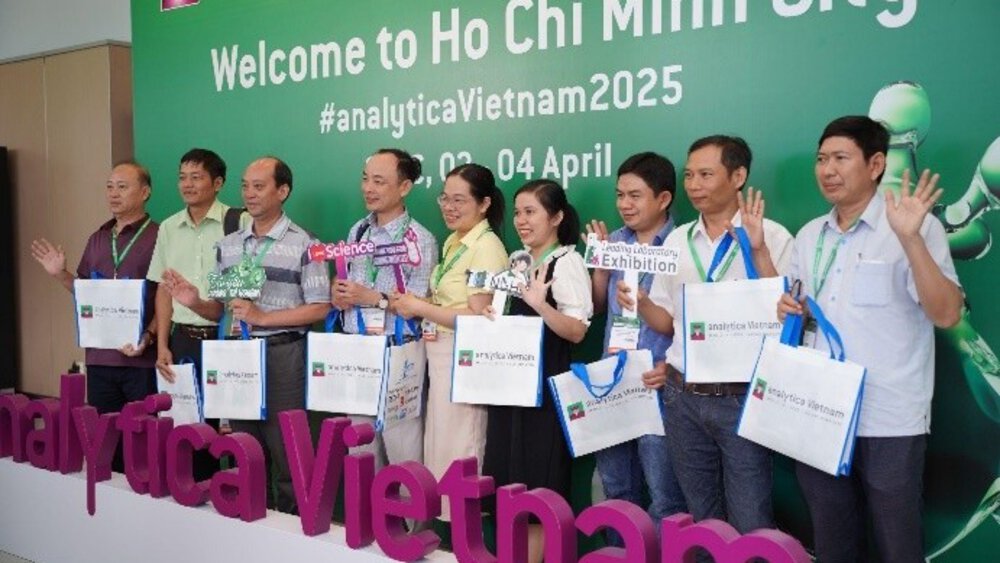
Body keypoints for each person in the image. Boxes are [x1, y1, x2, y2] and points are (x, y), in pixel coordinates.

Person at [778, 116, 962, 562]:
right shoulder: (809, 235)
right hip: (820, 411)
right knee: (832, 539)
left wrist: (910, 240)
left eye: (841, 158)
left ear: (876, 163)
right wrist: (790, 311)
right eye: (821, 159)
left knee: (897, 542)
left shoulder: (913, 226)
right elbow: (801, 316)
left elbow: (947, 313)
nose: (827, 170)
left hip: (889, 416)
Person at [619, 135, 793, 534]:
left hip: (743, 396)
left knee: (751, 516)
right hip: (683, 397)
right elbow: (667, 323)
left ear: (738, 176)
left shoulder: (773, 236)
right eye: (689, 175)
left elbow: (790, 319)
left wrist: (759, 251)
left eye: (706, 174)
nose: (694, 184)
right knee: (702, 518)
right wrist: (642, 302)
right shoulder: (677, 240)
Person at [164, 157, 331, 513]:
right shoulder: (229, 246)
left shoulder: (306, 243)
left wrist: (264, 317)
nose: (250, 194)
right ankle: (250, 529)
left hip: (283, 355)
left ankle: (290, 534)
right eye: (245, 186)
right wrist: (193, 300)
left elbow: (320, 307)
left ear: (282, 191)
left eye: (259, 186)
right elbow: (222, 310)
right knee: (244, 450)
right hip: (238, 356)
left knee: (287, 451)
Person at [482, 179, 593, 562]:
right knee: (508, 487)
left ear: (557, 217)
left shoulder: (568, 261)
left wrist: (540, 305)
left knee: (536, 492)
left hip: (544, 395)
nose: (521, 221)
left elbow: (576, 330)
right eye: (517, 212)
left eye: (530, 212)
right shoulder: (518, 259)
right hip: (510, 389)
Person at [391, 163, 507, 520]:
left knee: (462, 449)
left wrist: (420, 306)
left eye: (460, 200)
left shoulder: (486, 247)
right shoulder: (455, 241)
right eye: (445, 198)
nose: (449, 207)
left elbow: (480, 316)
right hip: (440, 356)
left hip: (466, 359)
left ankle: (466, 539)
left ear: (484, 203)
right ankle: (450, 537)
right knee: (441, 448)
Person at [30, 161, 160, 472]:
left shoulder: (159, 236)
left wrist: (151, 336)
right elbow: (85, 294)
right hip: (101, 359)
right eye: (109, 186)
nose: (113, 194)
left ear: (145, 192)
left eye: (122, 187)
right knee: (107, 442)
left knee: (143, 444)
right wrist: (60, 274)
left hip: (142, 360)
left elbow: (168, 298)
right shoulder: (98, 239)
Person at [584, 152, 686, 544]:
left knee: (665, 496)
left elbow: (692, 317)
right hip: (612, 380)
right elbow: (596, 307)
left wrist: (673, 364)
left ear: (663, 199)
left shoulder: (680, 244)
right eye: (619, 194)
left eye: (635, 196)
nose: (624, 204)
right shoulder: (614, 241)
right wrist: (600, 267)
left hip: (657, 384)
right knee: (616, 489)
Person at [332, 148, 438, 469]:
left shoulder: (420, 239)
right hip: (357, 349)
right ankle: (366, 519)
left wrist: (372, 297)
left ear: (404, 187)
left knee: (403, 448)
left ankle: (412, 520)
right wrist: (340, 296)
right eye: (366, 179)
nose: (368, 188)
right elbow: (351, 286)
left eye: (379, 181)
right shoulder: (358, 231)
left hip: (398, 350)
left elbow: (419, 306)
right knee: (360, 447)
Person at [147, 148, 246, 481]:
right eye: (182, 177)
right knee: (188, 434)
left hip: (226, 343)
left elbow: (240, 294)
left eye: (196, 177)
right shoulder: (170, 228)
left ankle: (235, 501)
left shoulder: (238, 222)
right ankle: (197, 501)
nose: (187, 184)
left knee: (233, 436)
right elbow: (163, 287)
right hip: (182, 341)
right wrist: (162, 344)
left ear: (217, 183)